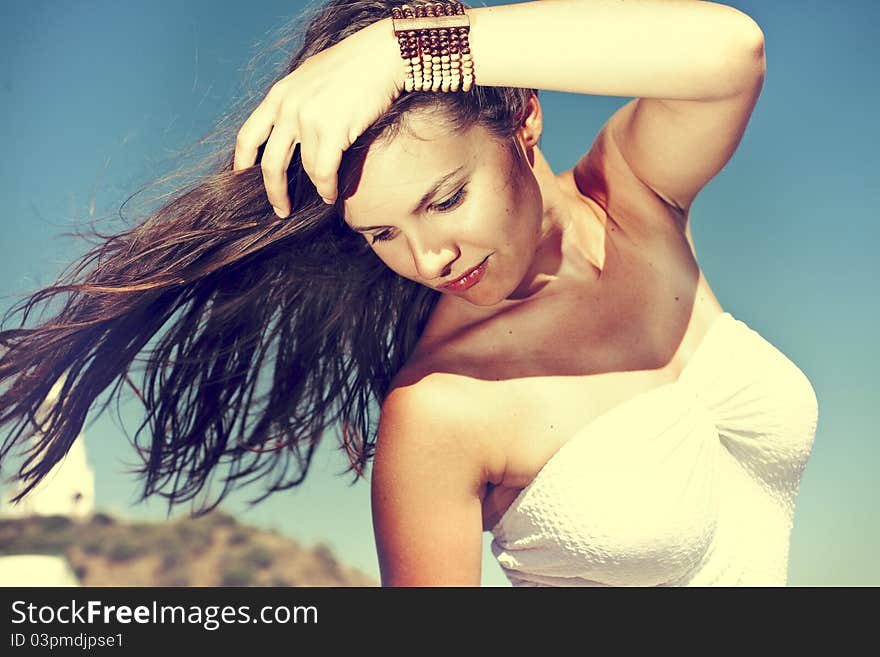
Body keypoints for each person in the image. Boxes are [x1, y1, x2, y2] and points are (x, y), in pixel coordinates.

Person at [0, 0, 818, 587]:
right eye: (382, 234)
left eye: (444, 199)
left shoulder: (636, 201)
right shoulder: (439, 410)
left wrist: (402, 49)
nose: (429, 256)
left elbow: (732, 49)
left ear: (523, 115)